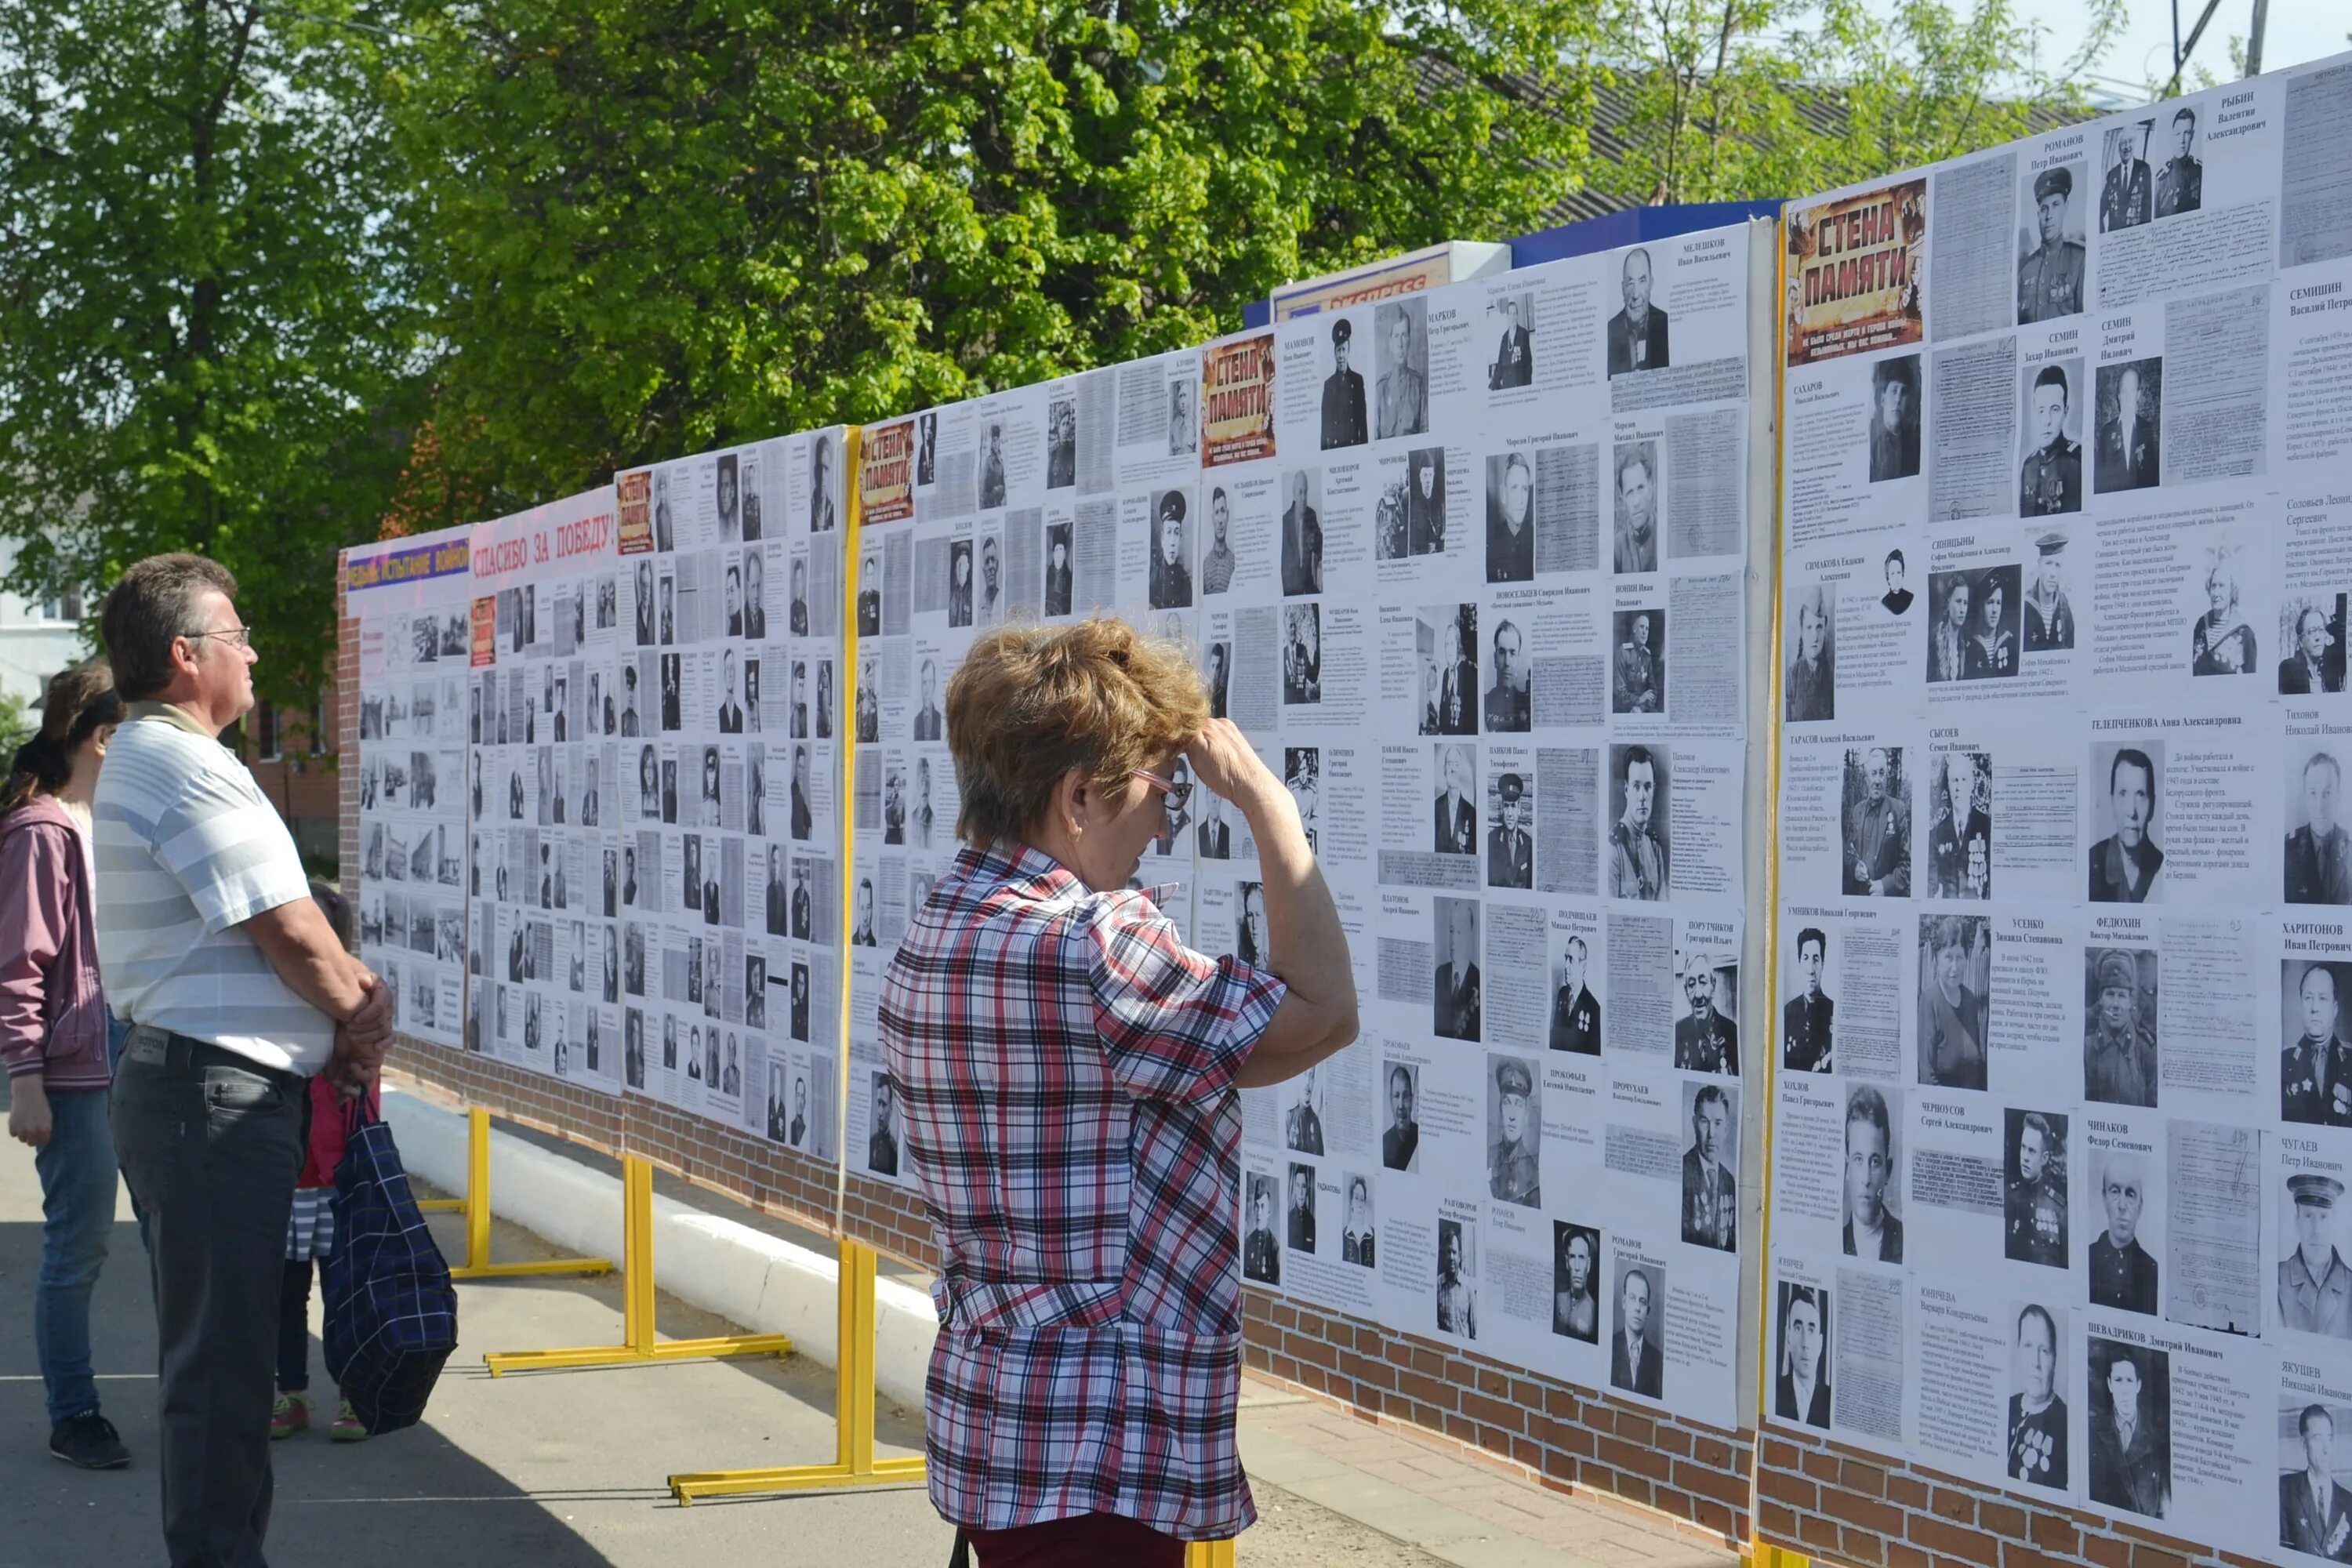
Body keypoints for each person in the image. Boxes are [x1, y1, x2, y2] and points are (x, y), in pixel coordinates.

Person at [877, 618, 1357, 1563]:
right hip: (1100, 1440)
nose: (1169, 823)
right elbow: (1326, 1011)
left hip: (998, 1420)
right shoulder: (1093, 947)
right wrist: (1269, 803)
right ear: (1079, 797)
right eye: (1162, 790)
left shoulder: (940, 928)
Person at [94, 555, 394, 1567]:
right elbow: (292, 932)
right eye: (237, 636)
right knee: (223, 1381)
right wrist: (363, 1012)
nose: (255, 652)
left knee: (221, 1374)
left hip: (203, 1096)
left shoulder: (165, 755)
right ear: (186, 657)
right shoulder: (179, 762)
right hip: (209, 1102)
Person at [2, 663, 129, 1470]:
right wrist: (25, 1078)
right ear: (102, 736)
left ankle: (201, 1400)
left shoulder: (104, 819)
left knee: (164, 1235)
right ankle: (73, 1410)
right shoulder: (42, 829)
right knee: (78, 1245)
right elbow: (18, 963)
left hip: (133, 1054)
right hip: (75, 1070)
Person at [2089, 1348, 2169, 1518]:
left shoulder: (2157, 1438)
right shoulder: (2093, 1432)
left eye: (2129, 1380)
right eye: (2118, 1380)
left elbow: (2165, 1507)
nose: (2124, 1389)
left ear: (2138, 1385)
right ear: (2110, 1385)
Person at [1921, 916, 1987, 1090]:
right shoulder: (1930, 1001)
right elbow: (1927, 1076)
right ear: (1936, 958)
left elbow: (1978, 1065)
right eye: (1948, 957)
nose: (1955, 967)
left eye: (1960, 957)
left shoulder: (1971, 1001)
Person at [2281, 1174, 2352, 1338]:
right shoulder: (2277, 1278)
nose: (2316, 1230)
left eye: (2323, 1217)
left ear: (2334, 1221)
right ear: (2297, 1222)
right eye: (2308, 1216)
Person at [2089, 747, 2163, 902]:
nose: (2131, 811)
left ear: (2152, 806)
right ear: (2112, 801)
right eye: (2123, 794)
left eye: (2140, 794)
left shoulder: (2163, 866)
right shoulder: (2091, 863)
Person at [2085, 950, 2157, 1107]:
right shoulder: (2087, 1048)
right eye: (2110, 994)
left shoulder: (2146, 1050)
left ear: (2131, 1001)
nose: (2116, 1005)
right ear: (2100, 998)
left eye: (2122, 996)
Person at [2009, 1306, 2068, 1489]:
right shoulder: (2007, 1405)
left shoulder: (2066, 1423)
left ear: (2055, 1358)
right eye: (2028, 1346)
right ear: (2018, 1350)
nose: (2035, 1362)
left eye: (2044, 1351)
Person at [2089, 1156, 2158, 1315]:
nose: (2122, 1206)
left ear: (2140, 1206)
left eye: (2130, 1194)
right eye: (2114, 1192)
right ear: (2104, 1198)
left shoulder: (2153, 1271)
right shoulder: (2087, 1258)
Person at [2287, 966, 2352, 1127]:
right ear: (2300, 1004)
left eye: (2322, 998)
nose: (2314, 1008)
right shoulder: (2284, 1060)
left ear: (2335, 1009)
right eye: (2308, 998)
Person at [2019, 165, 2085, 322]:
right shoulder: (2025, 270)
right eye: (2044, 209)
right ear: (2038, 215)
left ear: (2065, 208)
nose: (2049, 216)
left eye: (2055, 206)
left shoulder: (2080, 258)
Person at [1844, 1086, 1901, 1261]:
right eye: (1858, 1160)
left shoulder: (1906, 1240)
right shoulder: (1833, 1241)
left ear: (1888, 1171)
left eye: (1875, 1162)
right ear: (1847, 1169)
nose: (1866, 1180)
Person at [1844, 748, 1909, 895]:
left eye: (1882, 773)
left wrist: (1885, 886)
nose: (1878, 780)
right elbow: (1849, 853)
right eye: (1873, 773)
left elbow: (1907, 864)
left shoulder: (1898, 810)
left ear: (1886, 776)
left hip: (1887, 903)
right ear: (1866, 778)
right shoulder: (1856, 811)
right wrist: (1855, 867)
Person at [2020, 365, 2082, 516]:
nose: (2047, 420)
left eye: (2054, 409)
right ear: (2034, 413)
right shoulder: (2028, 466)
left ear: (2065, 412)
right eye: (2041, 411)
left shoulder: (2078, 461)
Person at [2006, 1112, 2066, 1268]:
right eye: (2023, 1148)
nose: (2024, 1157)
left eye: (2032, 1151)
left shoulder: (2058, 1208)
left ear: (2044, 1158)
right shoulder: (2007, 1199)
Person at [1680, 1085, 1735, 1250]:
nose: (1711, 1134)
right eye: (1704, 1122)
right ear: (1694, 1123)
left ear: (1726, 1129)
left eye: (1718, 1123)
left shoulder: (1729, 1181)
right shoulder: (1682, 1171)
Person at [1610, 746, 1667, 900]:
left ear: (1654, 790)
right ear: (1627, 790)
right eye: (1636, 787)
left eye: (1647, 787)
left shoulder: (1654, 848)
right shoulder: (1614, 849)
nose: (1642, 796)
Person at [1929, 756, 1990, 900]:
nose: (1958, 787)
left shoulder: (1987, 826)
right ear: (1949, 784)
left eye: (1964, 780)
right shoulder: (1937, 833)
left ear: (1972, 783)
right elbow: (1931, 882)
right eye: (1954, 780)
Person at [2097, 363, 2159, 494]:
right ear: (2118, 396)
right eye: (2124, 391)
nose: (2127, 397)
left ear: (2138, 395)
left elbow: (2153, 477)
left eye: (2132, 391)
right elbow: (2099, 481)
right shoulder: (2107, 432)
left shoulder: (2146, 429)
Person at [1605, 247, 1668, 376]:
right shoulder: (1610, 330)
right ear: (1623, 288)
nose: (1635, 294)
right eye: (1630, 283)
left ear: (1651, 284)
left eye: (1642, 281)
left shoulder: (1666, 325)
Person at [1487, 1058, 1539, 1207]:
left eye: (1518, 1105)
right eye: (1507, 1103)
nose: (1512, 1115)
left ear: (1526, 1114)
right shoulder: (1487, 1156)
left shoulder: (1533, 1173)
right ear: (1500, 1109)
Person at [1775, 1288, 1829, 1428]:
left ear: (1820, 1343)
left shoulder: (1830, 1400)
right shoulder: (1775, 1391)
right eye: (1798, 1329)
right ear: (1788, 1337)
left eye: (1811, 1330)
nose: (1805, 1344)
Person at [2192, 558, 2256, 675]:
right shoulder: (2201, 626)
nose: (2216, 593)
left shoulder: (2245, 634)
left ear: (2233, 590)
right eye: (2213, 586)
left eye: (2222, 586)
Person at [1675, 956, 1737, 1075]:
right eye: (1691, 984)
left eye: (1703, 983)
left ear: (1713, 985)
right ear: (1686, 991)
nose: (1698, 994)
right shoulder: (1678, 1032)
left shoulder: (1731, 1032)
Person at [1784, 927, 1833, 1073]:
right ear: (1799, 963)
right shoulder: (1787, 1012)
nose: (1810, 969)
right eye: (1805, 958)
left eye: (1816, 959)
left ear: (1823, 964)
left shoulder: (1834, 1011)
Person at [1434, 902, 1481, 1042]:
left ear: (1469, 936)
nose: (1453, 939)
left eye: (1459, 932)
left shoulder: (1478, 980)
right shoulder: (1440, 974)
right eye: (1451, 930)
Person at [1376, 306, 1425, 438]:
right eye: (1396, 336)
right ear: (1390, 342)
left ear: (1409, 340)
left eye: (1404, 336)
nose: (1400, 344)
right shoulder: (1381, 389)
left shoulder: (1418, 386)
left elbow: (1426, 433)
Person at [1611, 1269, 1661, 1397]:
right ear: (1624, 1302)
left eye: (1642, 1301)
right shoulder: (1610, 1346)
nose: (1637, 1308)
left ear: (1648, 1311)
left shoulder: (1658, 1360)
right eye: (1632, 1298)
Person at [1319, 317, 1367, 449]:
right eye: (1338, 350)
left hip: (1354, 448)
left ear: (1348, 351)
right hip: (1335, 450)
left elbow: (1362, 422)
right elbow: (1325, 427)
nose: (1341, 356)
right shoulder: (1329, 385)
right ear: (1334, 353)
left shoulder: (1357, 381)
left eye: (1343, 350)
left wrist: (1366, 450)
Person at [1487, 452, 1534, 583]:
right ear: (1503, 494)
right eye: (1514, 488)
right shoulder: (1491, 542)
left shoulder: (1535, 539)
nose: (1521, 500)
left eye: (1524, 489)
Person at [1867, 358, 1918, 480]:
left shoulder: (1914, 448)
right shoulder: (1873, 451)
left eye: (1904, 392)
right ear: (1883, 400)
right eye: (1894, 391)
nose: (1898, 399)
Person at [1549, 937, 1601, 1055]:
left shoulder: (1594, 1008)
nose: (1566, 965)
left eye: (1571, 960)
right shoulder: (1562, 994)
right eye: (1566, 958)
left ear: (1583, 967)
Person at [1785, 589, 1831, 721]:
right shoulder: (1791, 677)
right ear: (1801, 631)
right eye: (1809, 628)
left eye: (1819, 627)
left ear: (1825, 630)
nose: (1815, 637)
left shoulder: (1832, 674)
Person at [2024, 533, 2074, 650]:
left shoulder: (2064, 606)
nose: (2053, 574)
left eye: (2058, 565)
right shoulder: (2026, 605)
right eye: (2048, 564)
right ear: (2039, 565)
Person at [1613, 448, 1657, 574]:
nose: (1636, 502)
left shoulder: (1664, 535)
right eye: (1630, 493)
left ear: (1651, 488)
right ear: (1623, 500)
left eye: (1641, 488)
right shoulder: (1617, 549)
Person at [2099, 129, 2153, 233]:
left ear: (2134, 143)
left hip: (2136, 236)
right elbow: (2100, 211)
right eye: (2123, 143)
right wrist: (2103, 237)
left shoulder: (2144, 168)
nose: (2127, 147)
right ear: (2119, 147)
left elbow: (2148, 207)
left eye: (2130, 141)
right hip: (2116, 238)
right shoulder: (2112, 174)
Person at [1279, 470, 1322, 597]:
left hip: (1309, 588)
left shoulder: (1311, 515)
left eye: (1306, 492)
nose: (1304, 498)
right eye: (1300, 492)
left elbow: (1321, 545)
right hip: (1290, 591)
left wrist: (1320, 564)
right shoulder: (1285, 521)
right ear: (1294, 495)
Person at [1486, 773, 1532, 890]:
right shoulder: (1491, 841)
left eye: (1514, 806)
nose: (1510, 814)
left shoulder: (1528, 844)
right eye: (1507, 806)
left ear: (1520, 809)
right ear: (1502, 808)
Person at [1483, 619, 1529, 732]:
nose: (1507, 662)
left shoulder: (1528, 704)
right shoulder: (1484, 703)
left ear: (1518, 659)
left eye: (1512, 653)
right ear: (1495, 659)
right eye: (1502, 653)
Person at [2284, 606, 2341, 695]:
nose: (2318, 637)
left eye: (2321, 630)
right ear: (2301, 640)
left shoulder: (2333, 670)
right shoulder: (2290, 672)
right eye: (2312, 631)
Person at [1148, 492, 1191, 610]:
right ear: (1162, 539)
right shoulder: (1153, 577)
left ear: (1180, 538)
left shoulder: (1185, 579)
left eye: (1176, 533)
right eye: (1169, 532)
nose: (1172, 541)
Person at [1554, 1229, 1599, 1341]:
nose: (1577, 1267)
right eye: (1573, 1257)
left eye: (1582, 1258)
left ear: (1588, 1265)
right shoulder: (1557, 1299)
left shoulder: (1594, 1311)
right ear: (1567, 1262)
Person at [2155, 107, 2201, 216]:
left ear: (2192, 135)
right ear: (2172, 136)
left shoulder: (2200, 172)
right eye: (2178, 134)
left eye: (2187, 133)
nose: (2182, 140)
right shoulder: (2161, 179)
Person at [1615, 612, 1661, 713]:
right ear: (1635, 629)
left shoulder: (1647, 656)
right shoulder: (1624, 653)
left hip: (1643, 708)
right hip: (1625, 709)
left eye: (1647, 629)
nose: (1645, 632)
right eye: (1642, 627)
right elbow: (1619, 691)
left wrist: (1641, 708)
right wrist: (1638, 700)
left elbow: (1653, 690)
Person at [1434, 744, 1475, 855]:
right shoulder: (1435, 808)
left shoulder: (1471, 812)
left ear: (1461, 770)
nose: (1453, 769)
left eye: (1456, 764)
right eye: (1449, 764)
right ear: (1444, 769)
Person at [1408, 448, 1446, 556]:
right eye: (1425, 475)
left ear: (1434, 477)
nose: (1428, 480)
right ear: (1420, 478)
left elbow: (1443, 536)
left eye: (1430, 475)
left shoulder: (1440, 506)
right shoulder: (1414, 507)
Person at [1489, 296, 1532, 390]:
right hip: (1507, 386)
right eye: (1510, 314)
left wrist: (1528, 387)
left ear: (1517, 316)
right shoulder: (1504, 338)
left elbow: (1528, 363)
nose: (1512, 317)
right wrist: (1493, 386)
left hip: (1520, 384)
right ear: (1507, 316)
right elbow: (1500, 366)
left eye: (1514, 314)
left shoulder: (1523, 334)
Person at [1381, 1065, 1418, 1171]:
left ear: (1412, 1100)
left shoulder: (1421, 1134)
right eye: (1396, 1096)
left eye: (1406, 1096)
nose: (1401, 1105)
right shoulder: (1383, 1143)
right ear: (1390, 1100)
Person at [1200, 488, 1236, 596]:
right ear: (1212, 518)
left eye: (1223, 511)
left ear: (1228, 516)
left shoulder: (1235, 563)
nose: (1220, 520)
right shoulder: (1205, 566)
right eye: (1216, 512)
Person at [1242, 1184, 1279, 1286]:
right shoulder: (1247, 1242)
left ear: (1269, 1213)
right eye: (1256, 1207)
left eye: (1263, 1206)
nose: (1259, 1213)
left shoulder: (1275, 1247)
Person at [1285, 1065, 1324, 1155]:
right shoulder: (1289, 1117)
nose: (1307, 1083)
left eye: (1311, 1076)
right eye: (1304, 1075)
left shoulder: (1316, 1121)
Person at [1340, 1178, 1374, 1265]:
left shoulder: (1373, 1236)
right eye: (1356, 1198)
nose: (1359, 1204)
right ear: (1351, 1202)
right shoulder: (1343, 1235)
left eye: (1362, 1199)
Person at [868, 1076, 898, 1174]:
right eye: (878, 1103)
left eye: (884, 1104)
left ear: (890, 1109)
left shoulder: (894, 1150)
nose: (880, 1112)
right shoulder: (871, 1142)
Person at [1287, 1166, 1316, 1253]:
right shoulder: (1288, 1219)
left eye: (1303, 1186)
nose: (1301, 1192)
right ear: (1294, 1189)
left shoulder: (1312, 1222)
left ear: (1307, 1190)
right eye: (1298, 1185)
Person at [914, 659, 943, 742]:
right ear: (920, 686)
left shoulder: (940, 718)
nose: (927, 687)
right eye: (924, 682)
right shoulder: (916, 721)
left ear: (934, 684)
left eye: (930, 682)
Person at [1045, 533, 1073, 617]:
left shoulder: (1069, 576)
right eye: (1056, 550)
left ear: (1064, 553)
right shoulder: (1048, 574)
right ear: (1053, 553)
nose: (1058, 553)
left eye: (1061, 549)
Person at [947, 544, 974, 627]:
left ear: (968, 567)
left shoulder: (972, 594)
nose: (960, 570)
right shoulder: (951, 596)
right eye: (958, 565)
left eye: (963, 565)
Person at [1881, 550, 1913, 616]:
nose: (1896, 578)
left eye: (1899, 573)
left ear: (1902, 575)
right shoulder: (1885, 602)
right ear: (1888, 578)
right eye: (1892, 574)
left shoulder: (1909, 597)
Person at [790, 557, 809, 636]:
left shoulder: (806, 607)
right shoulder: (791, 608)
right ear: (794, 582)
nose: (799, 585)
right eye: (797, 581)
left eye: (800, 581)